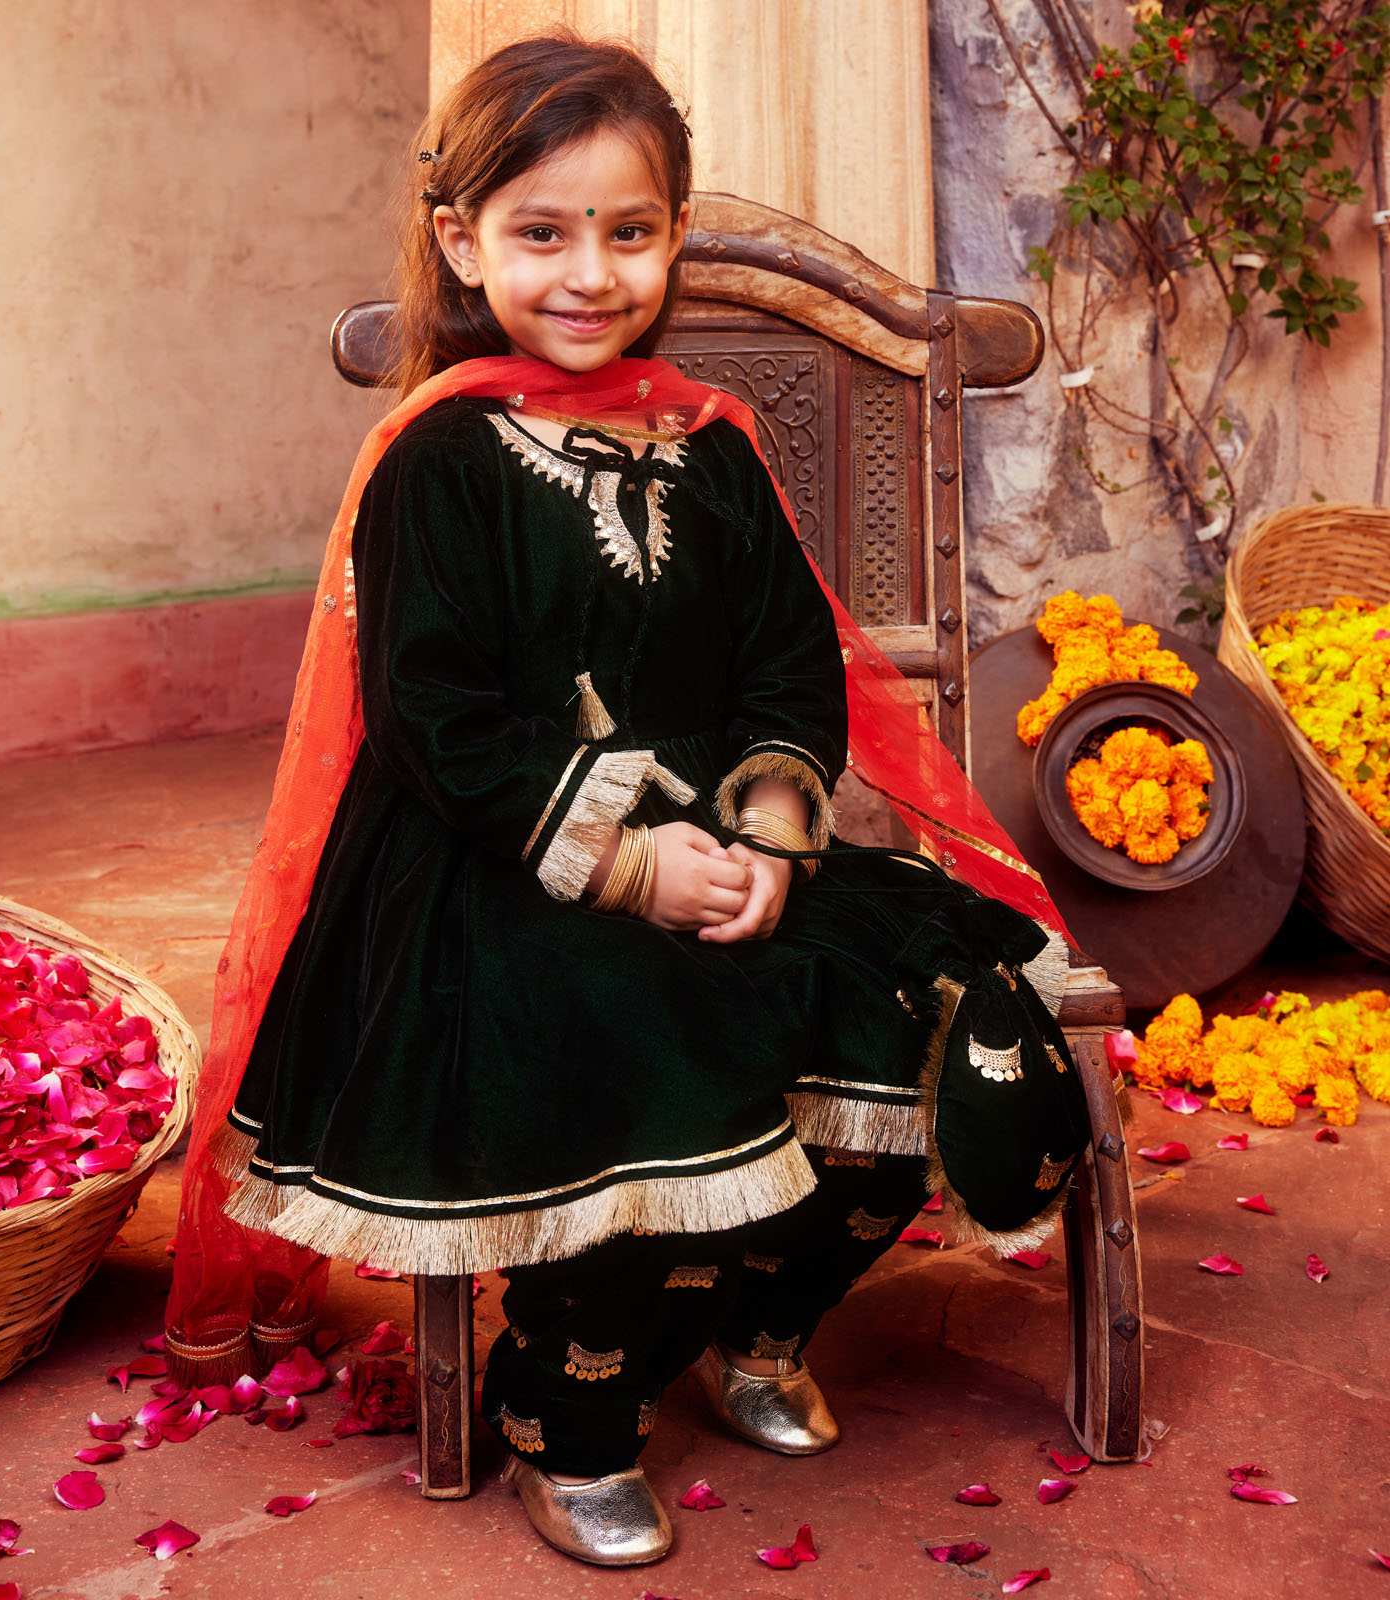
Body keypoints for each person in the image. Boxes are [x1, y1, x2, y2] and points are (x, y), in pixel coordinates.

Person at [164, 31, 1090, 1569]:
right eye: (542, 232)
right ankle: (569, 1415)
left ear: (673, 235)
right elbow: (435, 723)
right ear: (463, 241)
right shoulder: (438, 459)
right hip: (490, 874)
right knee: (621, 1027)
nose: (590, 273)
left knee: (933, 999)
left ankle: (753, 1327)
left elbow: (787, 667)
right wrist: (631, 869)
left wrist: (773, 836)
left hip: (725, 850)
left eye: (630, 230)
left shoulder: (711, 448)